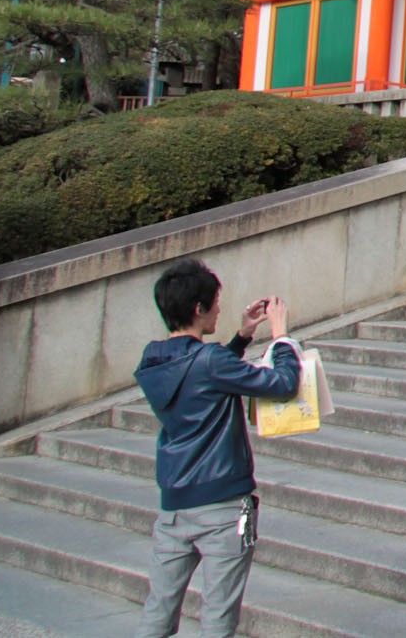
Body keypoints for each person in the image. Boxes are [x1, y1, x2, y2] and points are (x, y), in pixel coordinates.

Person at [134, 261, 301, 638]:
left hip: (175, 506)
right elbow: (284, 383)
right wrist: (281, 335)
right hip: (225, 506)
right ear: (198, 308)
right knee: (218, 619)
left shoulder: (154, 359)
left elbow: (201, 377)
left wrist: (241, 338)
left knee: (157, 614)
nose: (219, 310)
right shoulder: (209, 362)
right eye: (215, 303)